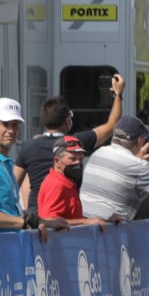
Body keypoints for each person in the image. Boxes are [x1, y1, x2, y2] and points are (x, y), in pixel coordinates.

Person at [13, 77, 125, 215]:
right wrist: (118, 94)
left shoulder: (28, 147)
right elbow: (112, 125)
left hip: (36, 218)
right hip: (66, 216)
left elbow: (13, 185)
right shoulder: (76, 142)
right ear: (67, 120)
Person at [80, 116, 149, 222]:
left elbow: (123, 172)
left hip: (84, 226)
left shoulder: (99, 153)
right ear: (140, 140)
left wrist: (136, 159)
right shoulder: (138, 166)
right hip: (110, 232)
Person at [37, 137, 107, 226]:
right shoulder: (57, 185)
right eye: (72, 159)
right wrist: (84, 222)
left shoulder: (67, 182)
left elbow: (72, 218)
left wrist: (104, 221)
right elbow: (49, 222)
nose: (78, 163)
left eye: (80, 159)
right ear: (57, 161)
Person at [0, 98, 26, 228]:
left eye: (15, 124)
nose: (10, 130)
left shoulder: (7, 163)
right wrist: (24, 222)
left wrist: (43, 221)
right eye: (5, 124)